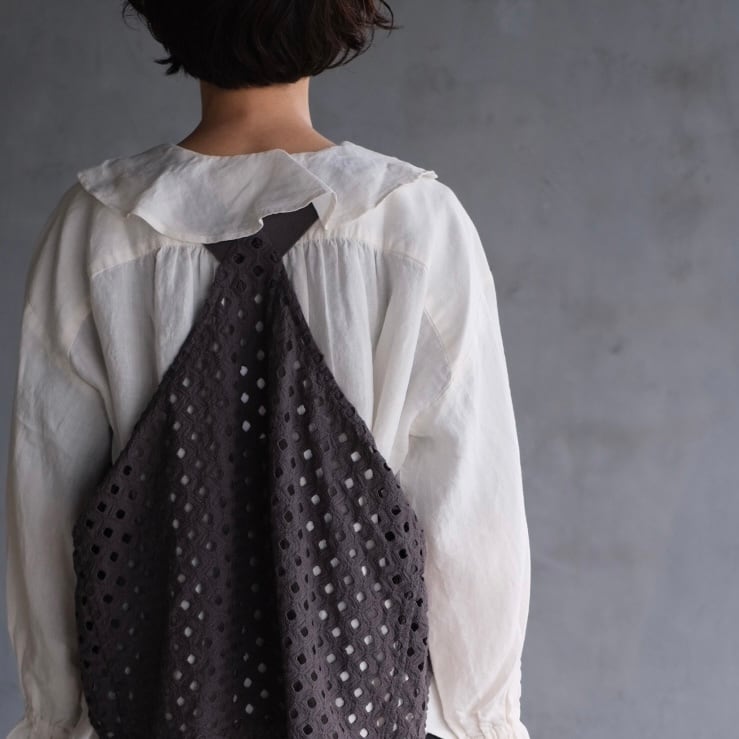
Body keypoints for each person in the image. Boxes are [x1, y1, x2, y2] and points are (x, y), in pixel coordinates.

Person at [3, 1, 532, 738]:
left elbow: (44, 510)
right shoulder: (413, 227)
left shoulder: (97, 231)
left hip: (155, 704)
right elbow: (471, 520)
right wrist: (480, 720)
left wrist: (56, 716)